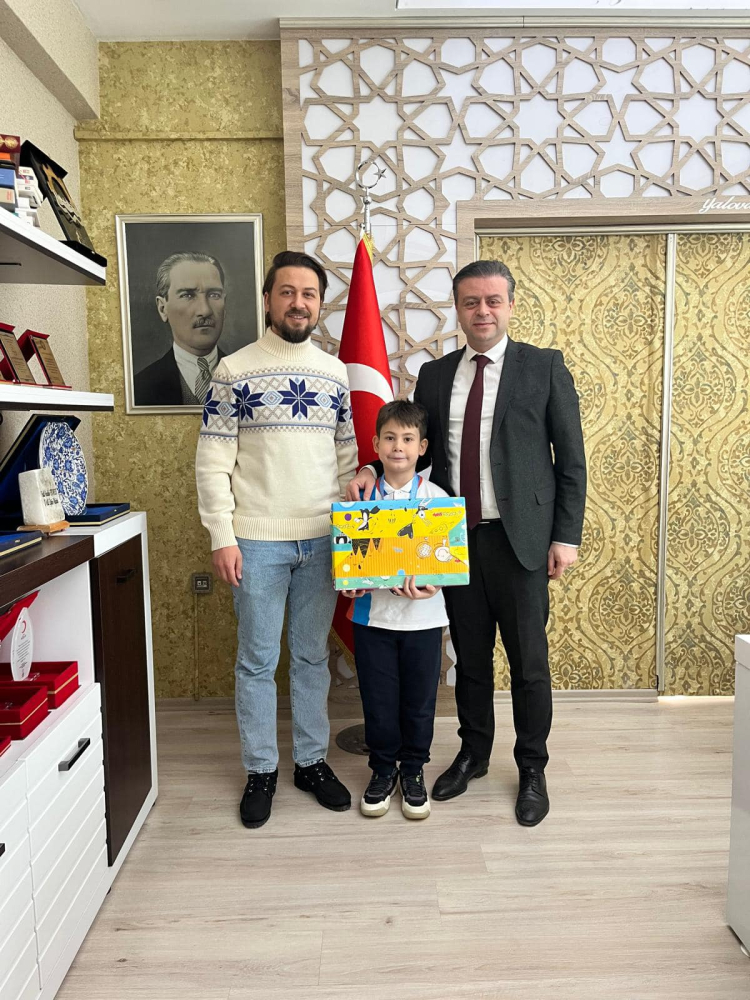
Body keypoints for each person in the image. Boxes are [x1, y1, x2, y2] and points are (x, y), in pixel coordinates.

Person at [347, 259, 586, 827]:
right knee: (471, 660)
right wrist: (368, 467)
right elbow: (412, 447)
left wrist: (565, 536)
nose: (483, 311)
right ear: (457, 308)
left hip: (522, 542)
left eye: (493, 301)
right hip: (453, 543)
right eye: (471, 302)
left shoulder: (544, 367)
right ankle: (474, 754)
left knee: (529, 663)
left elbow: (571, 460)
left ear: (510, 305)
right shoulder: (435, 374)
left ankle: (531, 768)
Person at [196, 250, 359, 829]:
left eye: (309, 294)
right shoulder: (233, 370)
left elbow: (347, 459)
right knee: (257, 661)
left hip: (322, 540)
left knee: (312, 658)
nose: (298, 303)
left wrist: (352, 539)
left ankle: (310, 763)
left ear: (321, 304)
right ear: (268, 300)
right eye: (287, 292)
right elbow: (212, 462)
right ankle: (261, 769)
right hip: (256, 543)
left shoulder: (335, 373)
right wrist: (222, 536)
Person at [342, 400, 451, 821]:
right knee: (379, 701)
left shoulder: (437, 499)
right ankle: (383, 769)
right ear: (375, 444)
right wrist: (350, 584)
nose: (398, 447)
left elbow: (448, 561)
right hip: (373, 619)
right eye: (389, 438)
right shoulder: (360, 500)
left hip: (424, 621)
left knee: (420, 702)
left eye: (407, 439)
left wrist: (433, 583)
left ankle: (414, 769)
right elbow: (347, 562)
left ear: (422, 447)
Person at [134, 251, 226, 406]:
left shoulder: (249, 379)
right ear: (163, 308)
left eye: (214, 295)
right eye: (188, 295)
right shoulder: (140, 388)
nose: (205, 310)